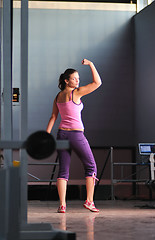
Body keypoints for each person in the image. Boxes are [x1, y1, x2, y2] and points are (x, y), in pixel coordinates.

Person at [46, 59, 102, 213]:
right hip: (76, 135)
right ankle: (89, 201)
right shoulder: (75, 93)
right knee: (91, 166)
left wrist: (46, 135)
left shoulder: (58, 96)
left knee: (63, 170)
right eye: (74, 78)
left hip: (61, 135)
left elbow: (53, 117)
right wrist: (91, 64)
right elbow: (97, 83)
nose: (77, 80)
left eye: (78, 78)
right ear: (66, 80)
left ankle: (62, 205)